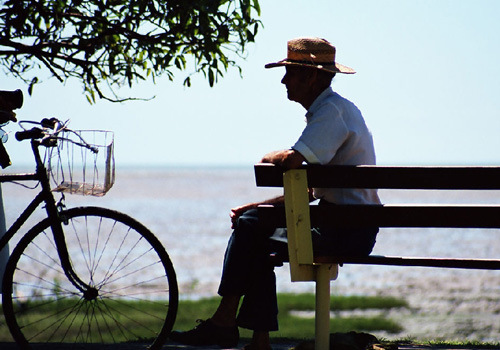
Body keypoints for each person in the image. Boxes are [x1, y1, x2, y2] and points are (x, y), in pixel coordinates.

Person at [170, 37, 381, 350]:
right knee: (252, 225)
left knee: (251, 229)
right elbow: (307, 191)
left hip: (345, 231)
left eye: (290, 73)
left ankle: (227, 323)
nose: (284, 80)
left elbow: (292, 161)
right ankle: (254, 338)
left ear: (310, 76)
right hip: (343, 223)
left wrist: (271, 155)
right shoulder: (334, 112)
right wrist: (256, 207)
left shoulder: (331, 114)